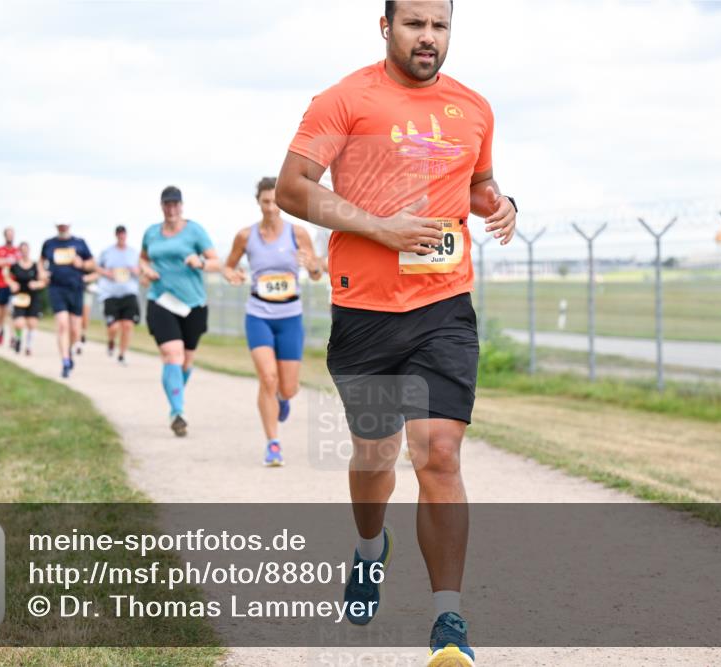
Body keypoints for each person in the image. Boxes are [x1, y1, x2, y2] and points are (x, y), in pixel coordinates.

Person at [274, 2, 517, 664]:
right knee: (375, 459)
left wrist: (501, 203)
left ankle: (448, 622)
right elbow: (296, 188)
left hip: (444, 306)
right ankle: (368, 548)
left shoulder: (474, 108)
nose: (428, 38)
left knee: (438, 452)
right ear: (386, 28)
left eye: (439, 26)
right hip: (366, 312)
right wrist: (378, 227)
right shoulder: (345, 100)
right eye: (415, 24)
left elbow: (478, 182)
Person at [222, 177, 324, 466]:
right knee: (267, 377)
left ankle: (282, 398)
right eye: (266, 202)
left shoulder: (298, 234)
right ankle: (273, 444)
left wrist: (313, 266)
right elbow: (228, 267)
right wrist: (232, 275)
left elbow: (316, 273)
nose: (271, 208)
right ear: (258, 203)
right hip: (258, 314)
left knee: (287, 387)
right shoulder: (246, 236)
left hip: (290, 316)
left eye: (275, 202)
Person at [139, 186, 221, 437]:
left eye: (175, 204)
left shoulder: (195, 231)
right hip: (161, 300)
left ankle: (175, 399)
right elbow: (142, 259)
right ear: (162, 206)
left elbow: (217, 262)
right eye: (167, 204)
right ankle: (178, 412)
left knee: (185, 360)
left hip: (193, 303)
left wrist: (201, 263)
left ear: (182, 205)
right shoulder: (152, 233)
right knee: (171, 354)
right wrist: (146, 270)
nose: (171, 208)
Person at [41, 221, 94, 378]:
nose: (62, 227)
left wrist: (82, 263)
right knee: (62, 325)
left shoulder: (79, 243)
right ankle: (64, 361)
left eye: (65, 224)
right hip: (57, 288)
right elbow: (41, 261)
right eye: (60, 224)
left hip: (75, 288)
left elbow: (92, 263)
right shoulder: (49, 243)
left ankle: (69, 352)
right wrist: (42, 273)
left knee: (74, 329)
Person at [97, 225, 141, 365]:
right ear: (116, 235)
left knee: (128, 325)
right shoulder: (107, 252)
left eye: (123, 234)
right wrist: (107, 273)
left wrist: (136, 270)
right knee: (113, 327)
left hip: (129, 292)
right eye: (119, 234)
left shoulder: (133, 253)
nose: (121, 237)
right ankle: (111, 341)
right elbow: (97, 267)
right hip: (111, 293)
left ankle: (122, 355)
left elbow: (141, 270)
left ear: (126, 235)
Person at [7, 242, 46, 356]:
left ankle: (28, 346)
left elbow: (44, 281)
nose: (24, 252)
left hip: (33, 297)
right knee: (19, 323)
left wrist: (37, 284)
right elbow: (7, 278)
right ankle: (18, 339)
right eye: (22, 250)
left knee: (32, 323)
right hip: (19, 297)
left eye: (26, 249)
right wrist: (12, 284)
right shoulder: (14, 266)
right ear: (19, 251)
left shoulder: (35, 265)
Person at [0, 228, 20, 345]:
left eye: (12, 234)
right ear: (5, 236)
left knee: (9, 311)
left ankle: (11, 335)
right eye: (8, 234)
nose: (10, 236)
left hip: (12, 285)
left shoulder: (17, 251)